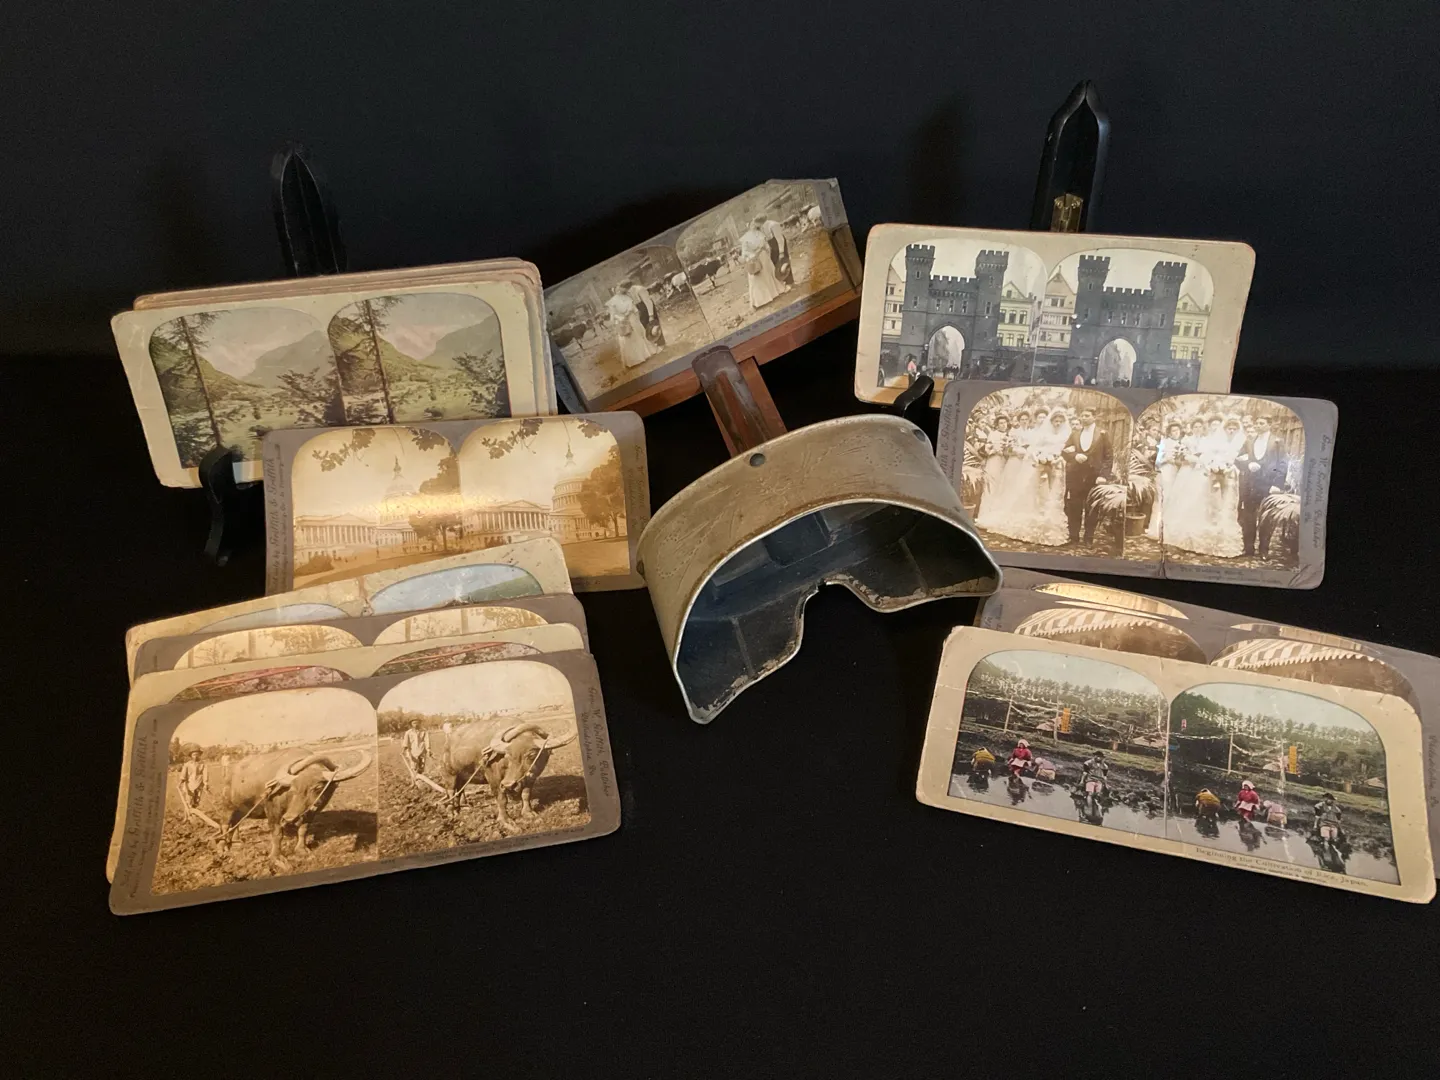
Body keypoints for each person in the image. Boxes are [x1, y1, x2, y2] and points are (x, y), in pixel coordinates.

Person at [1234, 414, 1289, 558]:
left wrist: (1277, 484)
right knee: (1248, 516)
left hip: (1268, 484)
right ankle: (1248, 548)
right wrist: (1248, 464)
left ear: (1269, 425)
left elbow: (1283, 464)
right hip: (1250, 484)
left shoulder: (1277, 442)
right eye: (1257, 423)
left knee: (1266, 517)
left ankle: (1264, 550)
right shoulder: (1249, 441)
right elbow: (1237, 459)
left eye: (1261, 423)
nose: (1258, 426)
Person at [1061, 406, 1113, 546]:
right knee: (1074, 507)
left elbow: (1108, 457)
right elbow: (1064, 452)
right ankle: (1073, 537)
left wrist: (1103, 475)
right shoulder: (1075, 434)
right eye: (1082, 415)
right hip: (1075, 475)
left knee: (1092, 508)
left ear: (1094, 417)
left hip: (1094, 476)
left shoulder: (1102, 434)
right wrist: (1075, 455)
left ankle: (1088, 537)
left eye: (1087, 415)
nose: (1083, 418)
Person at [1147, 421, 1186, 540]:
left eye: (1177, 430)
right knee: (1160, 501)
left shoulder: (1182, 444)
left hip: (1175, 474)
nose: (1176, 433)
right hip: (1164, 473)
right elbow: (1157, 462)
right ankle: (1155, 531)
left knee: (1171, 501)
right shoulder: (1164, 443)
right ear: (1169, 433)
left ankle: (1168, 532)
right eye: (1173, 431)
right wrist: (1167, 460)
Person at [605, 282, 657, 369]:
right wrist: (621, 318)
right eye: (617, 291)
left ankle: (644, 354)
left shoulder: (628, 298)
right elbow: (612, 316)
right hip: (623, 322)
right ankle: (634, 360)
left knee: (639, 335)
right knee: (628, 339)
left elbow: (635, 310)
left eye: (620, 291)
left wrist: (634, 315)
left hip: (633, 320)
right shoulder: (612, 303)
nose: (619, 292)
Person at [738, 219, 783, 309]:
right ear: (748, 226)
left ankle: (774, 293)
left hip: (764, 257)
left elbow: (767, 246)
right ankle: (760, 300)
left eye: (754, 224)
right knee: (758, 279)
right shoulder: (746, 238)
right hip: (754, 259)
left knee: (768, 274)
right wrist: (752, 256)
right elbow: (744, 252)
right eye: (751, 225)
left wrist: (767, 252)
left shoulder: (761, 234)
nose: (753, 226)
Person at [755, 214, 794, 288]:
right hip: (772, 245)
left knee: (783, 262)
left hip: (779, 244)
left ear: (760, 222)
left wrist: (781, 252)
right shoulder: (762, 228)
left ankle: (790, 282)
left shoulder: (773, 225)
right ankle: (783, 281)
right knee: (775, 263)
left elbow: (780, 239)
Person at [627, 279, 664, 347]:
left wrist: (651, 315)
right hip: (640, 309)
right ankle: (655, 344)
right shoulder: (629, 293)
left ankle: (661, 343)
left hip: (646, 307)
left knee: (654, 325)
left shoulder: (640, 289)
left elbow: (648, 302)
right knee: (647, 327)